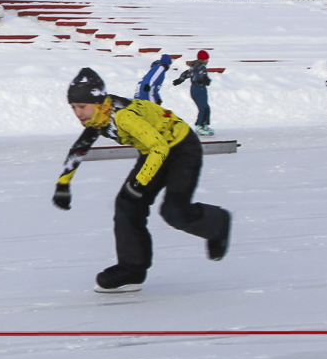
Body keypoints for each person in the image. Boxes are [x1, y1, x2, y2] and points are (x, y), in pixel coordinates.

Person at [52, 67, 231, 293]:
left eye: (82, 107)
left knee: (174, 211)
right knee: (127, 205)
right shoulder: (98, 116)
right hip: (154, 152)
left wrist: (138, 184)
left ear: (98, 103)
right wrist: (63, 184)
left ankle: (217, 223)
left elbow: (160, 148)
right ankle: (132, 269)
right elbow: (81, 147)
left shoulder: (123, 117)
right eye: (74, 108)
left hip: (182, 149)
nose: (78, 113)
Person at [173, 51, 214, 136]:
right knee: (203, 107)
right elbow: (202, 76)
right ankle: (199, 126)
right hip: (199, 88)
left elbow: (186, 74)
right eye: (207, 59)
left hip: (195, 88)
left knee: (205, 107)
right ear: (203, 59)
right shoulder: (202, 67)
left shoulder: (194, 66)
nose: (207, 61)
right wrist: (206, 80)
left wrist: (179, 80)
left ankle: (205, 125)